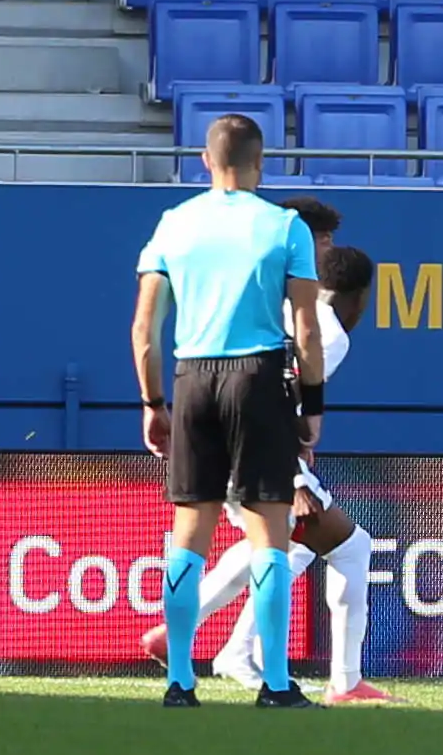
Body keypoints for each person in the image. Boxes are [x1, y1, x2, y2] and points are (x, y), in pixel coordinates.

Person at [141, 246, 400, 705]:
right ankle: (344, 683)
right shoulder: (329, 332)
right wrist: (295, 478)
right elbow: (274, 402)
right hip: (251, 448)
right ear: (360, 297)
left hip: (205, 430)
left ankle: (202, 641)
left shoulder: (272, 305)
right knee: (350, 548)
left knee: (281, 544)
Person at [131, 114, 322, 709]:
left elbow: (144, 329)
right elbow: (308, 331)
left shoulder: (174, 224)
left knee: (190, 533)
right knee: (269, 532)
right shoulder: (286, 226)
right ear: (261, 162)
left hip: (192, 377)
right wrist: (311, 409)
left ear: (206, 161)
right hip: (258, 377)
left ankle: (181, 681)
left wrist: (153, 403)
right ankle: (275, 684)